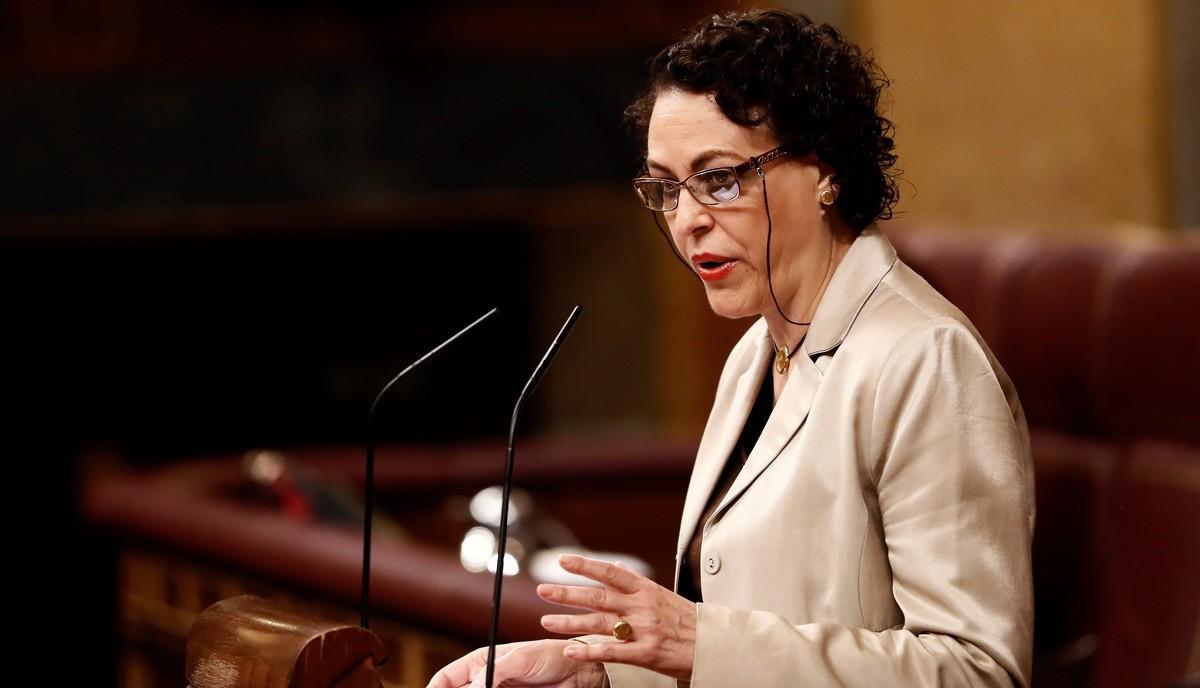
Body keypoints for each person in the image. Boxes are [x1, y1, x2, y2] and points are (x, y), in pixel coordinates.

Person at [429, 9, 1033, 687]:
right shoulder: (755, 352)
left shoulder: (924, 359)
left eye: (719, 179)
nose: (687, 221)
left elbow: (977, 672)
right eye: (665, 187)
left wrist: (696, 638)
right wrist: (595, 675)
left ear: (825, 169)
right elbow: (738, 647)